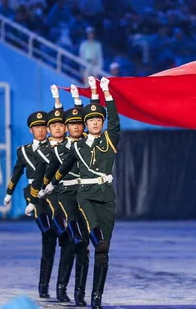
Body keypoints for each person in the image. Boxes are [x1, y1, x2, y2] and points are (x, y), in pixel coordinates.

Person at [53, 76, 119, 309]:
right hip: (85, 195)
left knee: (103, 253)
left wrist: (106, 94)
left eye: (97, 119)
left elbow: (114, 123)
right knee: (94, 234)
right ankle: (96, 240)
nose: (93, 123)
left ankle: (96, 298)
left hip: (106, 197)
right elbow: (68, 122)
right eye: (89, 120)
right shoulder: (76, 145)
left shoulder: (109, 141)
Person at [38, 84, 92, 306]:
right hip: (61, 198)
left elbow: (80, 117)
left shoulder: (85, 142)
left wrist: (78, 98)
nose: (71, 126)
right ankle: (60, 288)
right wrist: (58, 101)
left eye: (72, 124)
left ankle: (78, 292)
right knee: (67, 242)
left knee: (83, 245)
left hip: (86, 198)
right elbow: (62, 118)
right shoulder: (56, 148)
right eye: (63, 125)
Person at [3, 111, 55, 298]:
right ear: (30, 129)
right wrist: (9, 192)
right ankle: (43, 285)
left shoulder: (54, 146)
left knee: (58, 238)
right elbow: (17, 173)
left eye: (43, 126)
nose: (40, 130)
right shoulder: (23, 151)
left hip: (53, 193)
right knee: (47, 233)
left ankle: (55, 285)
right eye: (36, 127)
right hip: (34, 196)